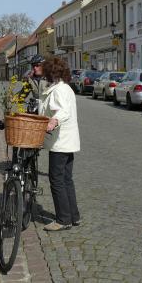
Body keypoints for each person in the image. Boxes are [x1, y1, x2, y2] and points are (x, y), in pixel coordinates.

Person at [39, 56, 81, 231]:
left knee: (57, 180)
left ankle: (63, 219)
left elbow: (63, 111)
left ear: (50, 72)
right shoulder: (66, 88)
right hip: (68, 141)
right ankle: (73, 216)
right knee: (66, 179)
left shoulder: (58, 90)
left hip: (60, 141)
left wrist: (53, 121)